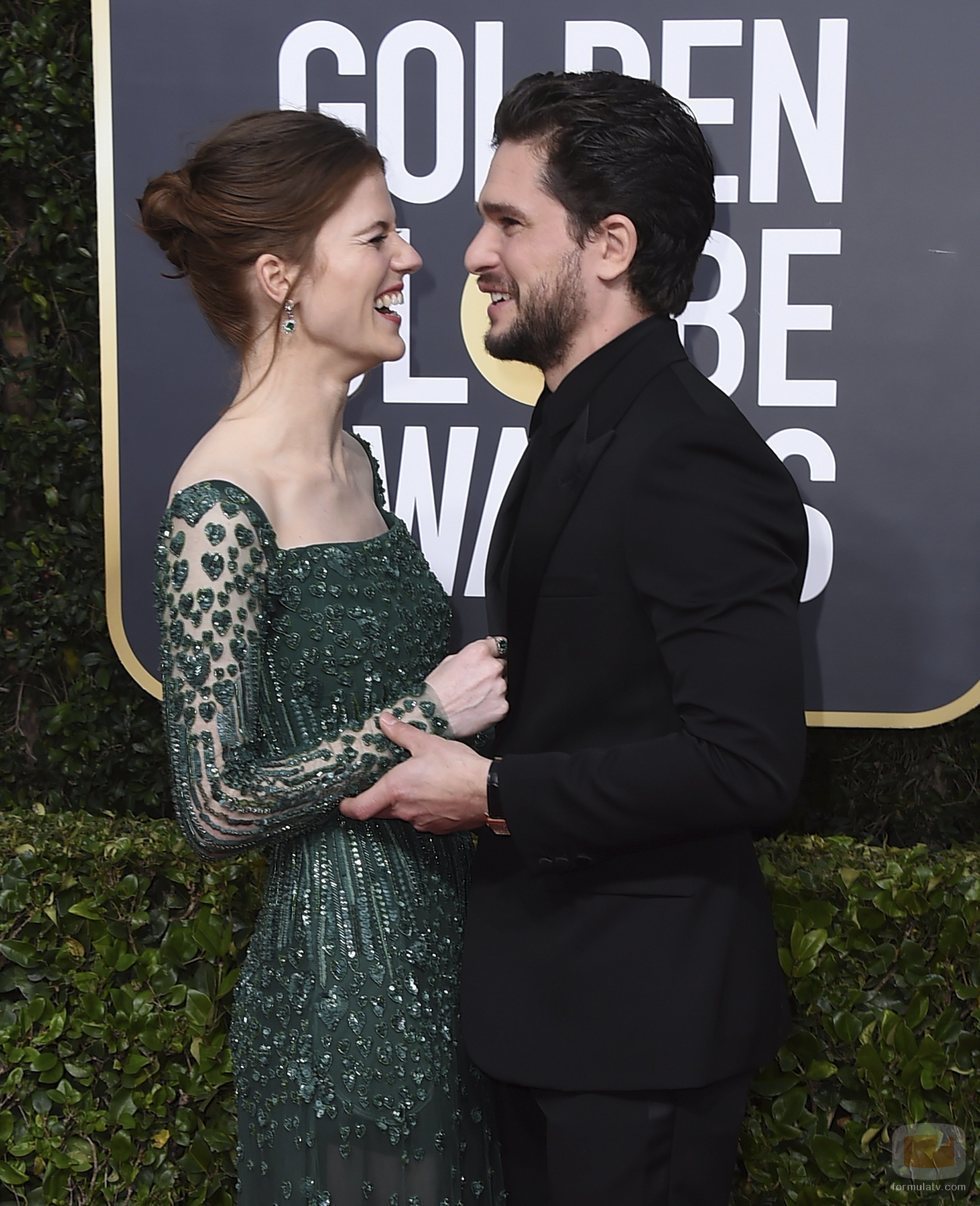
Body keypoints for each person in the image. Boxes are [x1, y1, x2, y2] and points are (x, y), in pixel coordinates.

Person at [341, 71, 808, 1205]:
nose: (471, 254)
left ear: (607, 244)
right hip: (556, 1017)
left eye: (507, 222)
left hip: (634, 1038)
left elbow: (744, 761)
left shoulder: (686, 454)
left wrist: (493, 793)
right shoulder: (586, 424)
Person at [141, 109, 507, 1206]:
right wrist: (422, 717)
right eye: (376, 235)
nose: (411, 258)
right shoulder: (220, 502)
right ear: (280, 275)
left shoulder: (354, 458)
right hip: (345, 990)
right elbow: (215, 806)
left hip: (454, 955)